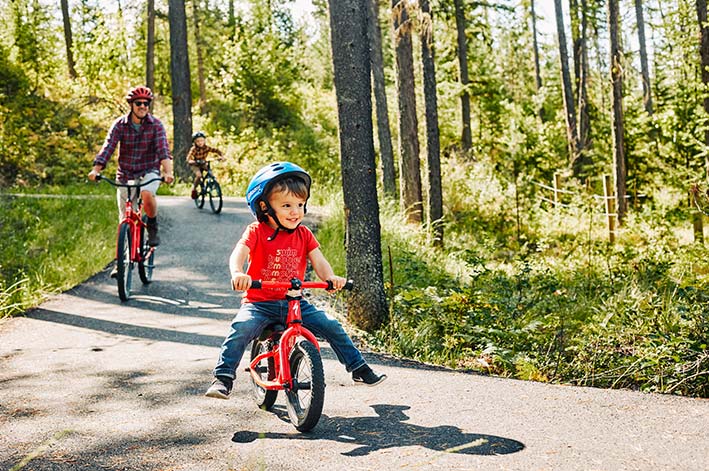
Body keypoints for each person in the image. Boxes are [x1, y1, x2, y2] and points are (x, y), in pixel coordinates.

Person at [206, 162, 386, 399]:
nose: (295, 212)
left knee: (331, 325)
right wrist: (238, 273)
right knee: (240, 328)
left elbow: (319, 261)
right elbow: (238, 253)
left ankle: (358, 368)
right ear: (264, 206)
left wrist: (329, 278)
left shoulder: (304, 234)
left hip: (295, 302)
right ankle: (223, 377)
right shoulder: (256, 231)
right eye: (287, 205)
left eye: (300, 205)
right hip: (259, 303)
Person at [88, 86, 174, 276]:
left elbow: (163, 151)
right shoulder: (120, 124)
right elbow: (108, 147)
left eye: (146, 103)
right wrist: (96, 169)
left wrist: (168, 172)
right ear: (131, 105)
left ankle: (152, 225)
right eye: (139, 103)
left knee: (146, 193)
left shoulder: (156, 125)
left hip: (149, 170)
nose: (143, 106)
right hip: (126, 174)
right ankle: (121, 262)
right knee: (124, 220)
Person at [187, 131, 224, 200]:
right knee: (199, 175)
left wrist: (221, 156)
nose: (200, 142)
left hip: (203, 163)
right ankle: (194, 189)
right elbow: (189, 158)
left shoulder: (206, 148)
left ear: (204, 141)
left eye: (202, 140)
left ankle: (213, 186)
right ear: (194, 142)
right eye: (198, 141)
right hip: (195, 164)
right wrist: (192, 161)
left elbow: (216, 150)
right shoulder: (194, 149)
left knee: (210, 172)